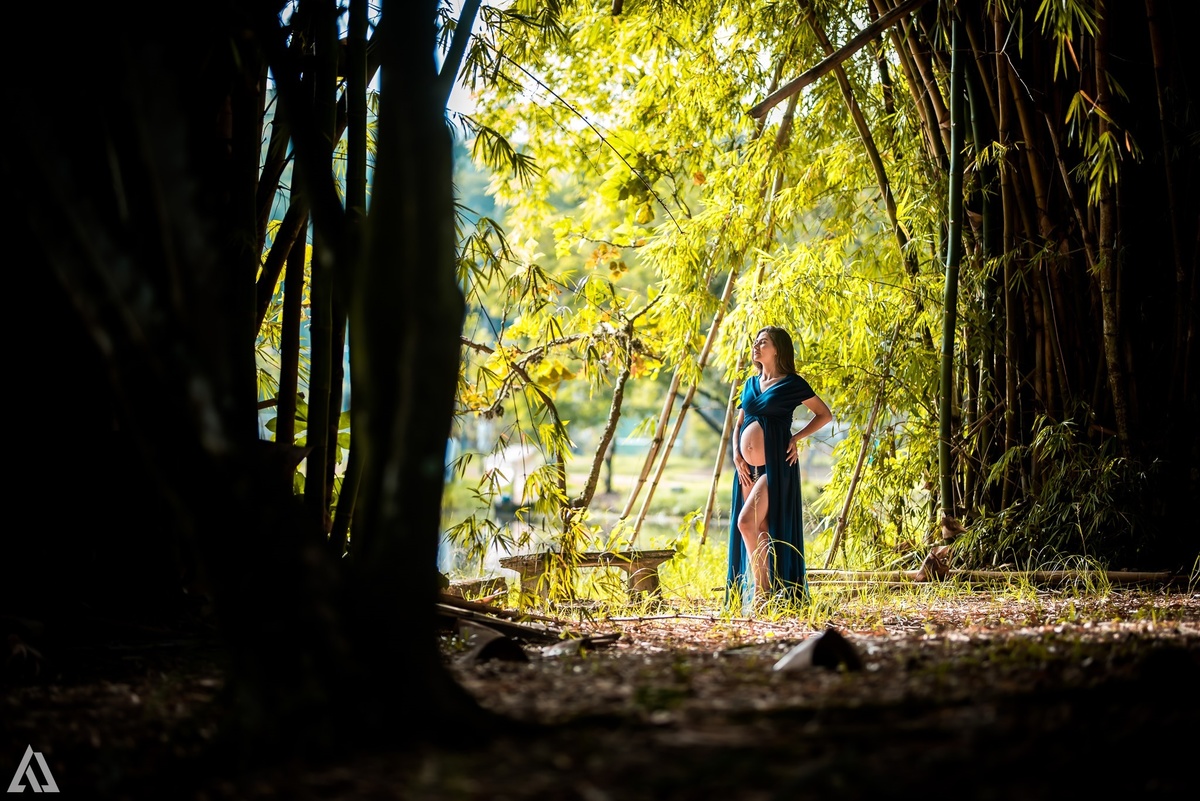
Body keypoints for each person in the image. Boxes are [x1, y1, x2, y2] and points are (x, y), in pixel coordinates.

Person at [728, 326, 832, 613]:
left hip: (776, 467)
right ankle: (764, 595)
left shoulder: (792, 384)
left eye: (763, 342)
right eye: (755, 342)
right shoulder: (750, 383)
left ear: (778, 349)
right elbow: (739, 425)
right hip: (747, 468)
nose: (756, 346)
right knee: (760, 529)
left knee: (746, 522)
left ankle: (762, 594)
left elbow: (824, 414)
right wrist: (736, 454)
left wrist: (796, 438)